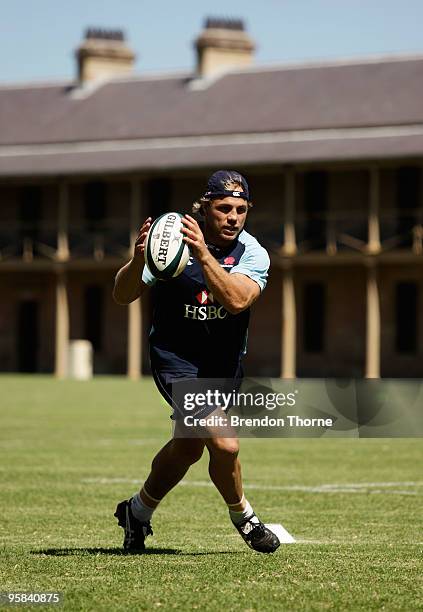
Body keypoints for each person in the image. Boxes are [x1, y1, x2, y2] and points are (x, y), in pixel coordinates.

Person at [112, 170, 279, 554]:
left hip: (222, 366)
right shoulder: (172, 244)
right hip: (177, 361)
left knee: (187, 448)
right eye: (223, 208)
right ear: (204, 209)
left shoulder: (253, 253)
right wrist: (138, 261)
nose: (233, 217)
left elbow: (237, 301)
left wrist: (204, 257)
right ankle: (245, 518)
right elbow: (123, 295)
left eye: (241, 209)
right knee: (226, 444)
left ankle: (136, 512)